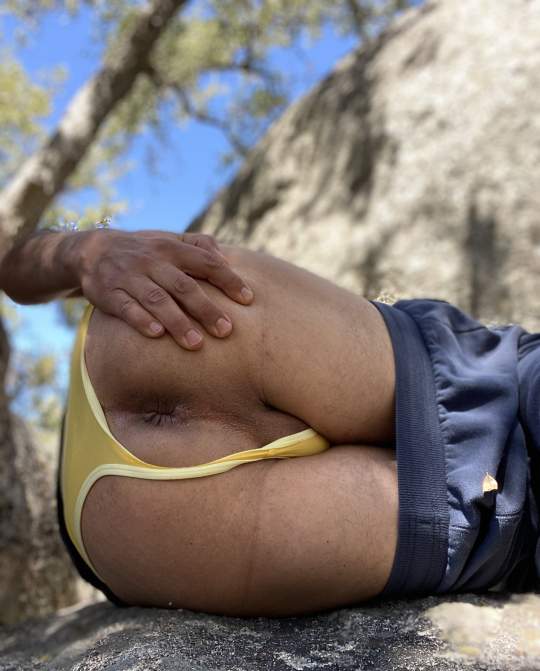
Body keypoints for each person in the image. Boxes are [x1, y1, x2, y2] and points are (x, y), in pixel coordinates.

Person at [2, 229, 539, 617]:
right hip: (142, 350)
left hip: (122, 535)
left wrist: (85, 252)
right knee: (501, 393)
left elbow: (12, 265)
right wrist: (85, 250)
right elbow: (13, 262)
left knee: (492, 513)